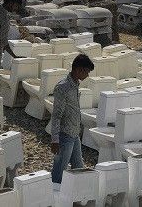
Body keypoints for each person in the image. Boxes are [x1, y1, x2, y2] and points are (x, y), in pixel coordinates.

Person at [49, 53, 95, 185]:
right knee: (59, 171)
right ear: (79, 69)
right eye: (86, 71)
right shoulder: (63, 87)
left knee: (79, 168)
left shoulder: (75, 84)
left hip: (74, 135)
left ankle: (77, 197)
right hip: (65, 136)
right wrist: (55, 139)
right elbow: (56, 115)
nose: (87, 75)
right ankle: (55, 199)